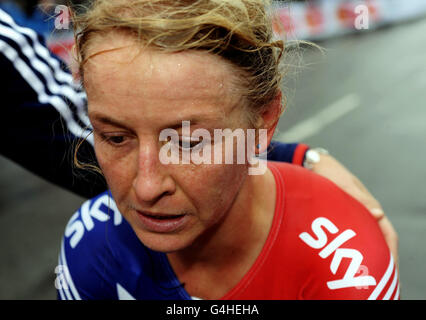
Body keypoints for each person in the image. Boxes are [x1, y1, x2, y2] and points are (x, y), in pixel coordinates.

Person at [54, 0, 399, 300]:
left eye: (189, 143)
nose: (146, 188)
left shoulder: (346, 273)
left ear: (262, 122)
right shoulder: (92, 246)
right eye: (115, 137)